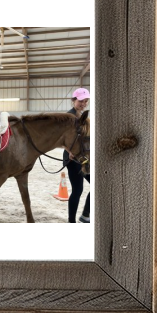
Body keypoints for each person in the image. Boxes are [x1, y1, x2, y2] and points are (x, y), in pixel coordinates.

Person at [63, 87, 90, 223]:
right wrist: (70, 152)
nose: (83, 104)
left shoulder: (83, 116)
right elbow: (62, 139)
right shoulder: (69, 117)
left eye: (86, 101)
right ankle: (71, 221)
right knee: (77, 190)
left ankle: (85, 215)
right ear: (74, 100)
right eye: (81, 101)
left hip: (84, 157)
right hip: (73, 159)